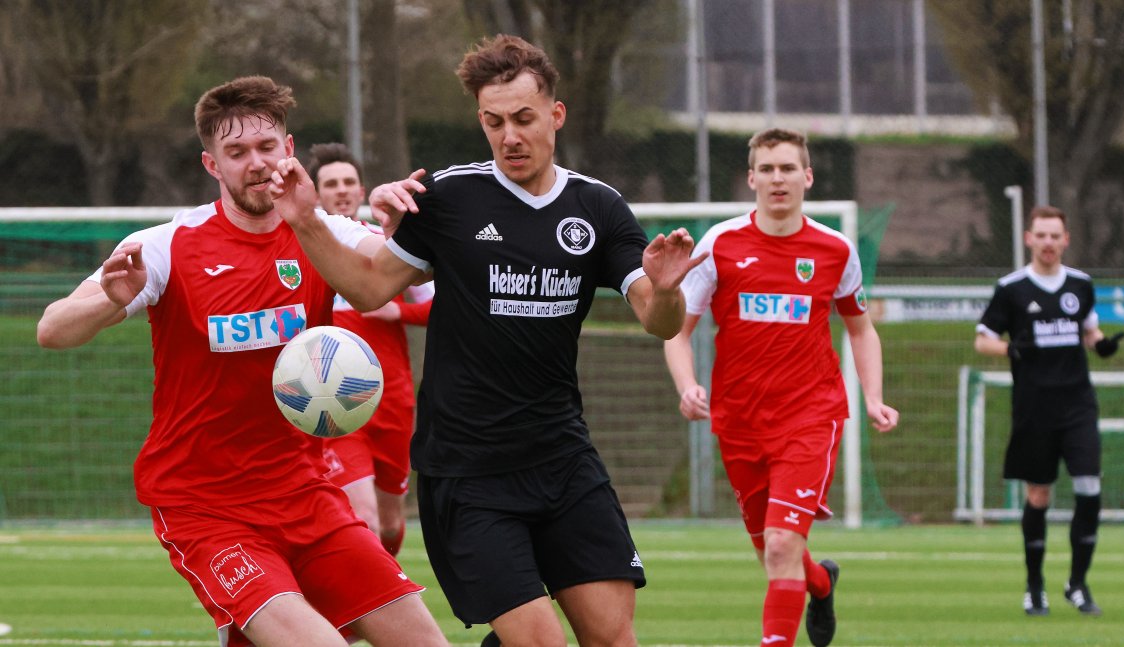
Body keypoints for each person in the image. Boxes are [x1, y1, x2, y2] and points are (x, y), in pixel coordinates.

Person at [268, 34, 705, 647]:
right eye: (493, 121)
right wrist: (306, 221)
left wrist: (664, 291)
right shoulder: (449, 198)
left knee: (612, 637)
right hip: (468, 471)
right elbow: (369, 290)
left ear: (556, 114)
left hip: (563, 459)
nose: (510, 136)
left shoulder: (599, 208)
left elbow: (657, 321)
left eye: (524, 119)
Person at [36, 76, 447, 647]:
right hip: (207, 508)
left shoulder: (320, 230)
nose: (256, 164)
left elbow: (396, 276)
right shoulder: (166, 246)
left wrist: (405, 223)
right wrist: (110, 298)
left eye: (266, 147)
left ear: (290, 149)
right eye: (236, 152)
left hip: (308, 494)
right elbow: (52, 329)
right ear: (212, 164)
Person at [663, 128, 899, 647]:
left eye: (788, 168)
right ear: (751, 178)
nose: (777, 178)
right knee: (776, 553)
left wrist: (874, 397)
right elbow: (676, 331)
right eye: (767, 169)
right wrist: (687, 385)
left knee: (779, 547)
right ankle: (820, 582)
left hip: (810, 417)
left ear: (807, 177)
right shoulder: (720, 244)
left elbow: (861, 328)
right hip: (739, 421)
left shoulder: (834, 249)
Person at [975, 205, 1124, 618]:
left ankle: (1077, 584)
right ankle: (1034, 585)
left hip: (1077, 404)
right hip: (1034, 408)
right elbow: (983, 340)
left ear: (1066, 240)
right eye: (1040, 235)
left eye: (1054, 235)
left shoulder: (1081, 284)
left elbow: (1088, 331)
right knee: (1039, 494)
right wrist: (1010, 349)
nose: (1047, 243)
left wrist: (1101, 344)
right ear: (1028, 239)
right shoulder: (1011, 288)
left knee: (1090, 486)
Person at [306, 142, 434, 556]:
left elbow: (444, 302)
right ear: (314, 192)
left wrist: (398, 314)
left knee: (391, 524)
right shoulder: (302, 250)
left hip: (391, 401)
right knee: (365, 519)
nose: (341, 190)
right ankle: (361, 615)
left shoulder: (387, 247)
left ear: (361, 191)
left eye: (348, 182)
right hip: (331, 403)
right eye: (330, 183)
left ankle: (376, 604)